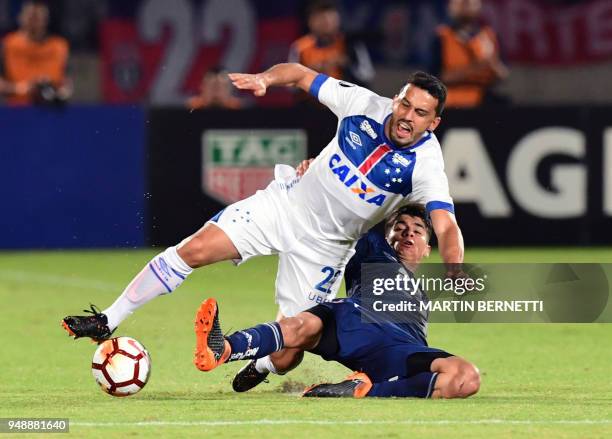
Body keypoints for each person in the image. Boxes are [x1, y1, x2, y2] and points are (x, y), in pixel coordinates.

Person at [62, 63, 464, 387]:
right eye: (405, 104)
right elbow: (301, 74)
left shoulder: (426, 165)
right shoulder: (362, 104)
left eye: (420, 112)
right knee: (195, 249)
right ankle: (108, 320)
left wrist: (454, 265)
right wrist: (265, 79)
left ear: (434, 123)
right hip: (284, 206)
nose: (407, 116)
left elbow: (445, 225)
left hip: (326, 250)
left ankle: (261, 368)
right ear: (397, 98)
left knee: (289, 353)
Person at [193, 204, 480, 399]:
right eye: (400, 227)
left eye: (418, 229)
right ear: (386, 235)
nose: (408, 232)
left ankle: (364, 389)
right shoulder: (373, 249)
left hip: (396, 349)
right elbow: (355, 200)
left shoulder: (424, 294)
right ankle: (223, 349)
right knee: (296, 329)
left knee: (466, 377)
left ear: (428, 249)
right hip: (350, 317)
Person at [429, 0, 508, 108]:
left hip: (483, 97)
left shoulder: (489, 36)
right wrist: (475, 68)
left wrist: (492, 62)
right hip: (451, 98)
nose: (465, 7)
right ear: (451, 6)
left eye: (469, 3)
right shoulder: (441, 37)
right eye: (460, 3)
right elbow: (436, 77)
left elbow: (502, 74)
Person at [0, 0, 72, 105]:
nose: (33, 22)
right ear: (20, 18)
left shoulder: (59, 46)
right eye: (30, 17)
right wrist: (22, 89)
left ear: (46, 20)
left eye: (38, 18)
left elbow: (67, 82)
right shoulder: (8, 44)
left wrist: (61, 94)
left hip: (51, 109)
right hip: (17, 110)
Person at [288, 0, 374, 87]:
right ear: (311, 21)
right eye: (322, 19)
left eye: (331, 19)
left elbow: (367, 76)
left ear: (338, 20)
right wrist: (311, 72)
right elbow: (291, 85)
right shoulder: (300, 47)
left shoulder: (351, 44)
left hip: (344, 98)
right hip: (310, 99)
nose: (327, 23)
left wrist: (345, 65)